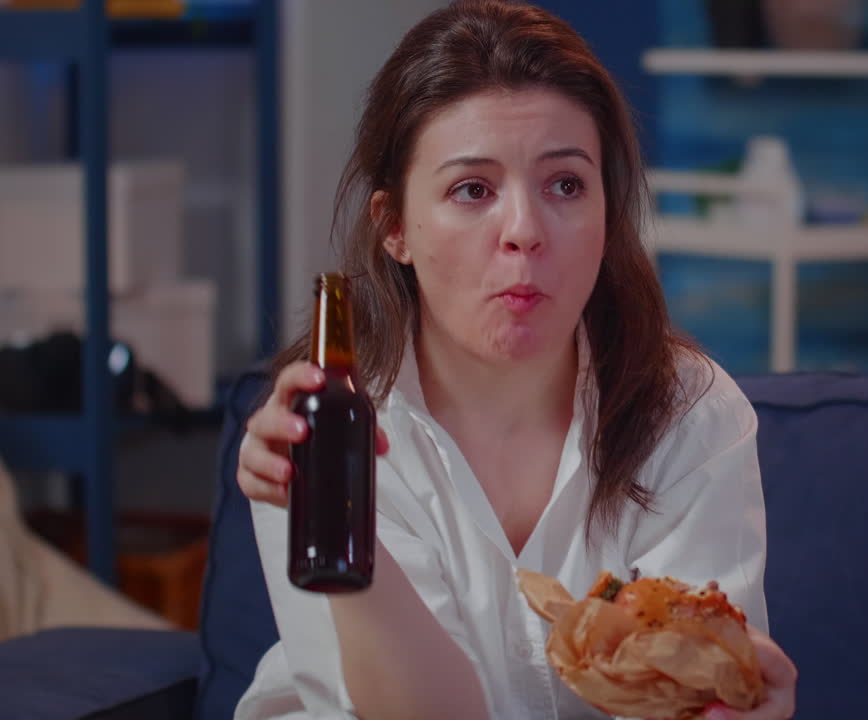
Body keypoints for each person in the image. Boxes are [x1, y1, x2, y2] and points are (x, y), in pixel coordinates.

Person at [234, 1, 797, 718]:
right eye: (473, 190)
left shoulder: (689, 414)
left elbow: (692, 691)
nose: (525, 232)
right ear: (395, 228)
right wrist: (343, 522)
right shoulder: (315, 435)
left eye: (566, 184)